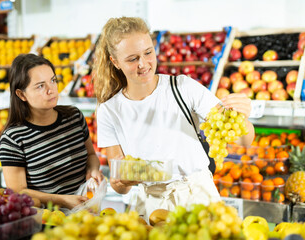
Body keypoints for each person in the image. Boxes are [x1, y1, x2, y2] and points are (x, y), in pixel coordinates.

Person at [93, 17, 255, 219]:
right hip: (150, 206)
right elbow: (120, 185)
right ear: (115, 62)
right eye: (132, 59)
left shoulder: (183, 88)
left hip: (198, 199)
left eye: (148, 53)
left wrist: (242, 116)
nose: (143, 64)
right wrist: (122, 181)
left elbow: (243, 140)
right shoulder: (110, 110)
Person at [0, 53, 103, 209]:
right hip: (47, 221)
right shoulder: (13, 138)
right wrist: (63, 200)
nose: (51, 90)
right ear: (21, 94)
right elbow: (18, 191)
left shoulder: (74, 117)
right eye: (40, 86)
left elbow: (91, 155)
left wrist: (93, 170)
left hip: (86, 212)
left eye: (53, 81)